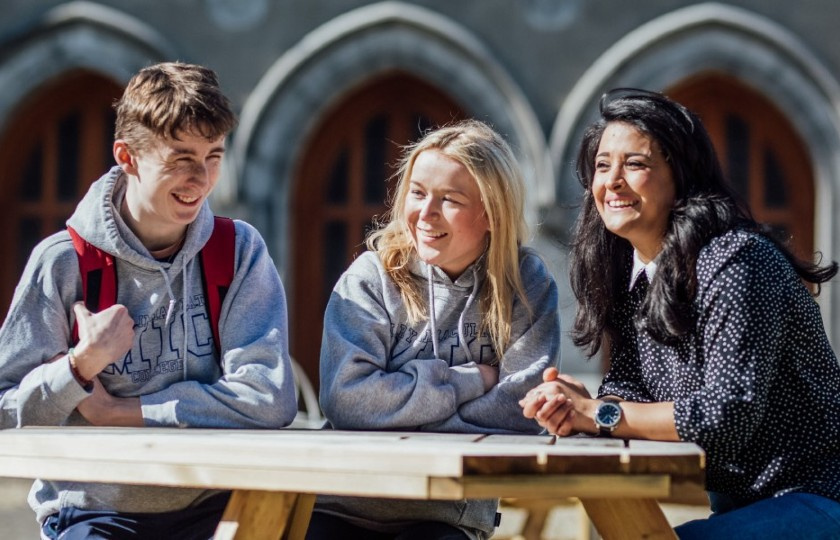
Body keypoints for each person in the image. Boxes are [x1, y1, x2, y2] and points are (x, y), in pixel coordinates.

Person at [519, 88, 840, 538]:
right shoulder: (638, 277)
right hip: (742, 507)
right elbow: (628, 385)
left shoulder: (737, 262)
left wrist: (597, 414)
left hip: (820, 497)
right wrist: (578, 403)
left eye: (636, 164)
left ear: (681, 178)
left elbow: (726, 416)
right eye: (602, 165)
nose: (612, 181)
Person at [0, 62, 297, 539]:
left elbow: (270, 399)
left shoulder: (239, 252)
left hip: (218, 504)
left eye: (213, 156)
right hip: (93, 512)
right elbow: (2, 408)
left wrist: (125, 411)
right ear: (128, 156)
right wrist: (77, 367)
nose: (200, 178)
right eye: (181, 157)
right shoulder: (62, 262)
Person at [307, 119, 561, 540]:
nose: (425, 213)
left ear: (492, 214)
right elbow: (347, 400)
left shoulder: (526, 283)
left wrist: (394, 416)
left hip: (447, 515)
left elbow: (522, 410)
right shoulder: (372, 277)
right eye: (418, 192)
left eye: (450, 199)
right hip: (341, 502)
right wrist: (470, 381)